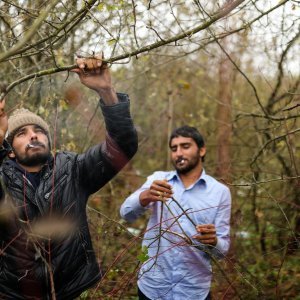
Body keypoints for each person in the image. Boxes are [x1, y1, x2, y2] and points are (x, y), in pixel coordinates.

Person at [0, 57, 138, 299]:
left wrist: (106, 91)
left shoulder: (73, 169)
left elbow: (122, 147)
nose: (33, 136)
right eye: (22, 133)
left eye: (39, 130)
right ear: (9, 149)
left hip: (71, 289)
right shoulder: (1, 178)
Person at [120, 125, 231, 300]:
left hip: (194, 291)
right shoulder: (158, 180)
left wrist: (214, 241)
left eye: (185, 146)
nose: (178, 153)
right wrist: (146, 196)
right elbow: (126, 213)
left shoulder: (220, 192)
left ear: (201, 150)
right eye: (174, 148)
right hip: (152, 288)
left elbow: (222, 250)